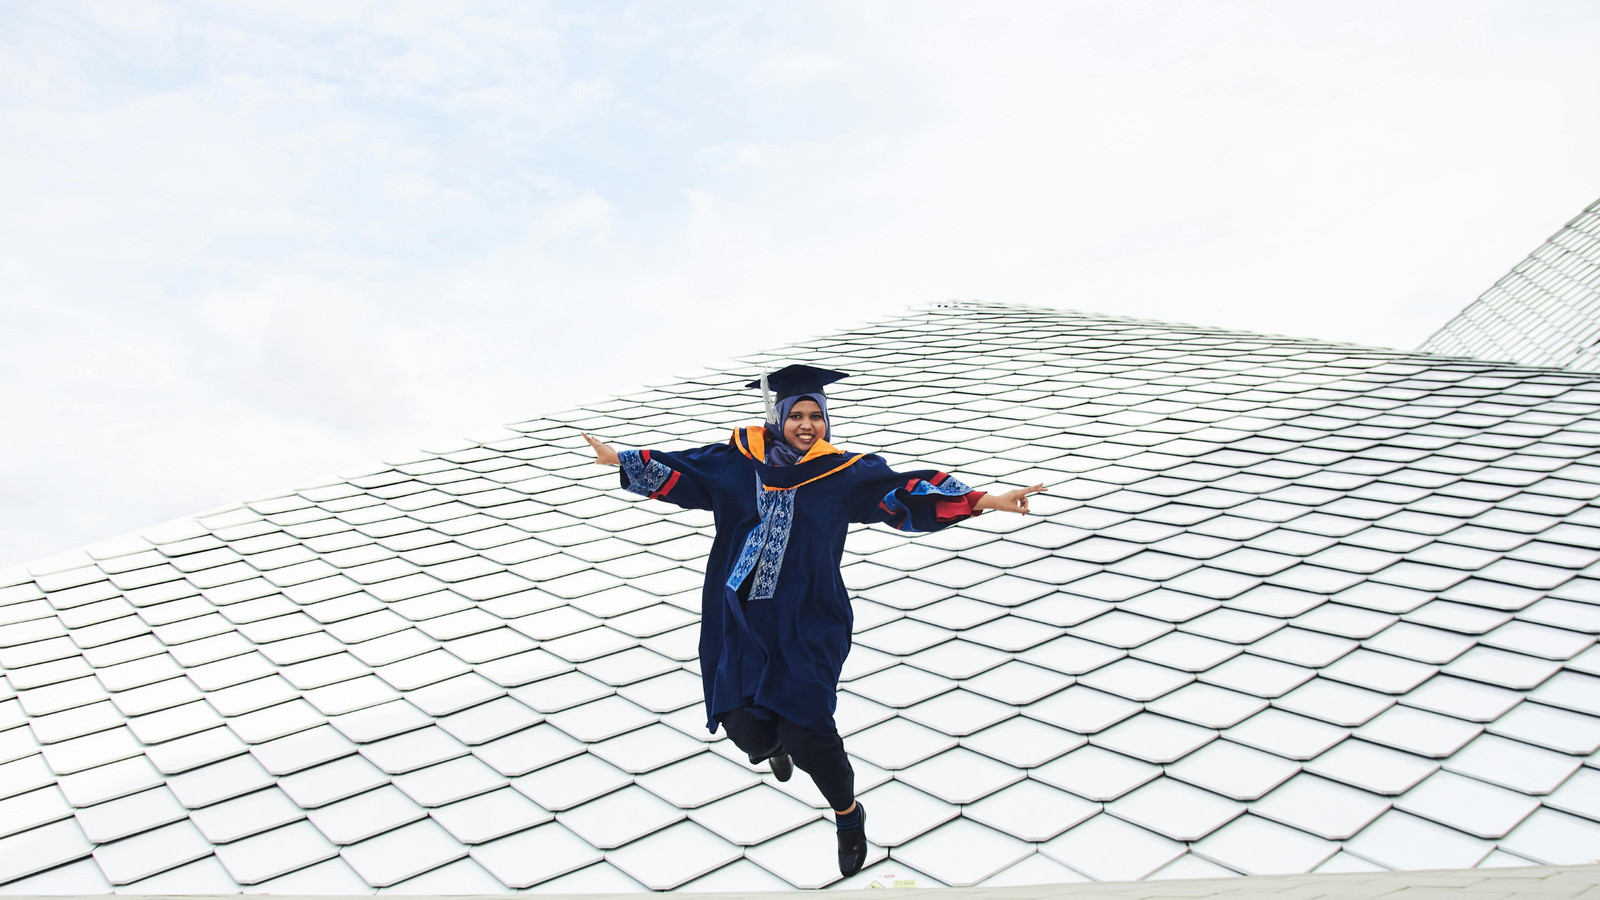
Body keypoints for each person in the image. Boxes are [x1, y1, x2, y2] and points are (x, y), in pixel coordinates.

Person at [583, 365, 1044, 877]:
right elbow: (681, 470)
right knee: (745, 728)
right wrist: (621, 458)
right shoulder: (737, 464)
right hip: (739, 616)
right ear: (777, 417)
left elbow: (903, 492)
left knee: (807, 734)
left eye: (815, 416)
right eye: (796, 415)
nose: (807, 425)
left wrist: (985, 501)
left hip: (808, 618)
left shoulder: (842, 473)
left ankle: (848, 816)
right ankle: (770, 745)